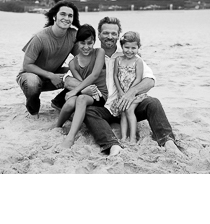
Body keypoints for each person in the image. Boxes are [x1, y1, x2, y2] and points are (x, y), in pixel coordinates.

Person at [58, 16, 182, 156]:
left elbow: (150, 80)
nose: (109, 36)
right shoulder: (91, 54)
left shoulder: (129, 54)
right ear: (99, 35)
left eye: (113, 33)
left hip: (129, 106)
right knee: (88, 112)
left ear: (118, 36)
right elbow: (67, 79)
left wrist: (131, 93)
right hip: (103, 108)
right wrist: (84, 87)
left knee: (153, 103)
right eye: (105, 33)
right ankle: (112, 146)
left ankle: (168, 141)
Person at [16, 1, 80, 118]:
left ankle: (59, 102)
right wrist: (51, 76)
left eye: (70, 16)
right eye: (63, 14)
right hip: (29, 75)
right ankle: (33, 110)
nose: (66, 18)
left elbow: (82, 59)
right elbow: (27, 65)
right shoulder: (40, 38)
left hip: (55, 73)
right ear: (54, 16)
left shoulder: (73, 35)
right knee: (32, 83)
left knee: (82, 74)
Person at [53, 24, 108, 149]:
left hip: (99, 94)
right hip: (86, 91)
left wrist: (76, 91)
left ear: (94, 41)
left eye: (90, 43)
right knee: (71, 102)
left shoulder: (99, 52)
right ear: (77, 42)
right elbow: (80, 80)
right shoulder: (73, 63)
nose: (86, 47)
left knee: (80, 98)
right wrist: (82, 90)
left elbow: (94, 75)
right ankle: (58, 126)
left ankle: (70, 137)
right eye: (83, 43)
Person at [111, 31, 148, 143]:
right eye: (127, 47)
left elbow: (138, 78)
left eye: (133, 48)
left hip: (134, 94)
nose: (130, 51)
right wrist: (120, 91)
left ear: (138, 48)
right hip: (122, 93)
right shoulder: (118, 60)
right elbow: (115, 76)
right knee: (122, 112)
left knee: (129, 110)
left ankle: (132, 138)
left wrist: (129, 92)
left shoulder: (138, 61)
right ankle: (123, 137)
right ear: (121, 46)